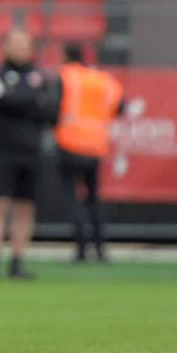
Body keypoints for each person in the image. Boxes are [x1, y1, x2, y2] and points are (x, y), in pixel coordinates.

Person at [0, 28, 57, 280]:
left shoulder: (38, 76)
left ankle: (18, 261)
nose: (21, 49)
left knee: (25, 207)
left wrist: (19, 101)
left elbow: (48, 110)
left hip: (30, 151)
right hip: (1, 150)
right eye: (15, 43)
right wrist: (26, 101)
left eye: (25, 44)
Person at [54, 43, 123, 263]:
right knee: (93, 197)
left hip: (70, 143)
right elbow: (120, 105)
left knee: (72, 197)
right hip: (95, 145)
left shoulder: (66, 77)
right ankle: (101, 246)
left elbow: (52, 107)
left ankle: (81, 245)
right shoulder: (101, 78)